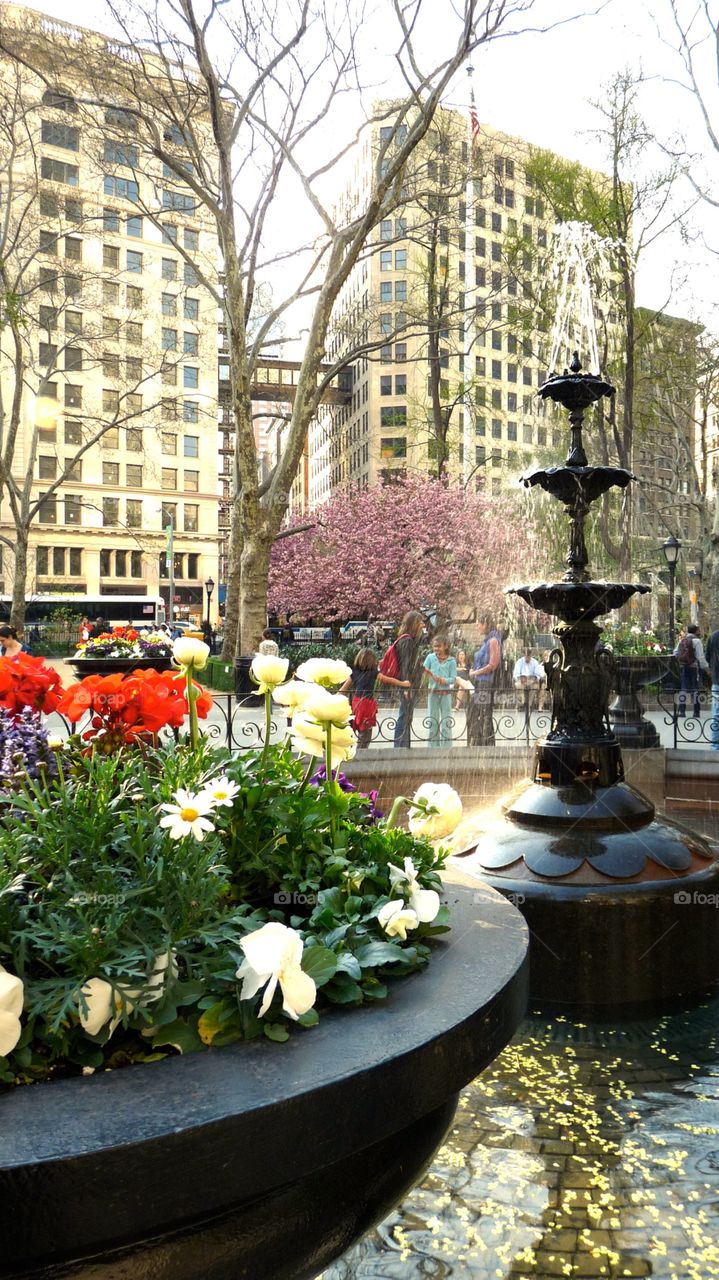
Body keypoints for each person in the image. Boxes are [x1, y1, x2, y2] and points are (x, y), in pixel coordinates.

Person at [467, 614, 502, 746]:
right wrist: (473, 671)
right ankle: (482, 741)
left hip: (485, 682)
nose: (477, 627)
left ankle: (487, 743)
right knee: (479, 712)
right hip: (480, 682)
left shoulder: (493, 640)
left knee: (485, 712)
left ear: (486, 624)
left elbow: (493, 664)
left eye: (478, 624)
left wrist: (475, 672)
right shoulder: (487, 641)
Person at [392, 610, 425, 748]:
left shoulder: (408, 640)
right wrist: (407, 687)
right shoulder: (407, 641)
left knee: (406, 715)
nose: (423, 624)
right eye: (420, 622)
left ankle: (403, 745)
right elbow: (406, 664)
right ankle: (400, 746)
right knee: (404, 715)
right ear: (414, 623)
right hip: (407, 684)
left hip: (408, 683)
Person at [340, 647, 380, 748]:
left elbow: (343, 689)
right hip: (367, 704)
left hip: (356, 702)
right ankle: (361, 750)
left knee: (354, 725)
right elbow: (387, 679)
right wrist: (403, 683)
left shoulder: (354, 672)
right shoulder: (373, 672)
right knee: (366, 730)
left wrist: (332, 699)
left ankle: (347, 748)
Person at [423, 635, 457, 747]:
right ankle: (433, 748)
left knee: (446, 721)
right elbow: (424, 671)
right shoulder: (430, 657)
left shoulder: (452, 661)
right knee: (433, 720)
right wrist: (426, 673)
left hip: (446, 695)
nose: (436, 648)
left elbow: (453, 678)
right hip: (433, 694)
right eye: (434, 646)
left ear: (446, 646)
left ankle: (446, 748)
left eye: (439, 646)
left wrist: (444, 680)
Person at [674, 623, 709, 718]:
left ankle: (682, 711)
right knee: (696, 690)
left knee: (683, 689)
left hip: (685, 667)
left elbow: (675, 652)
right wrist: (707, 668)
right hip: (695, 668)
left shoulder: (683, 640)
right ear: (696, 631)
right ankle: (696, 712)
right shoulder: (697, 641)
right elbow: (700, 657)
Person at [707, 627, 719, 750]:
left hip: (717, 680)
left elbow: (707, 657)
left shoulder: (714, 636)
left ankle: (715, 746)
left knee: (716, 714)